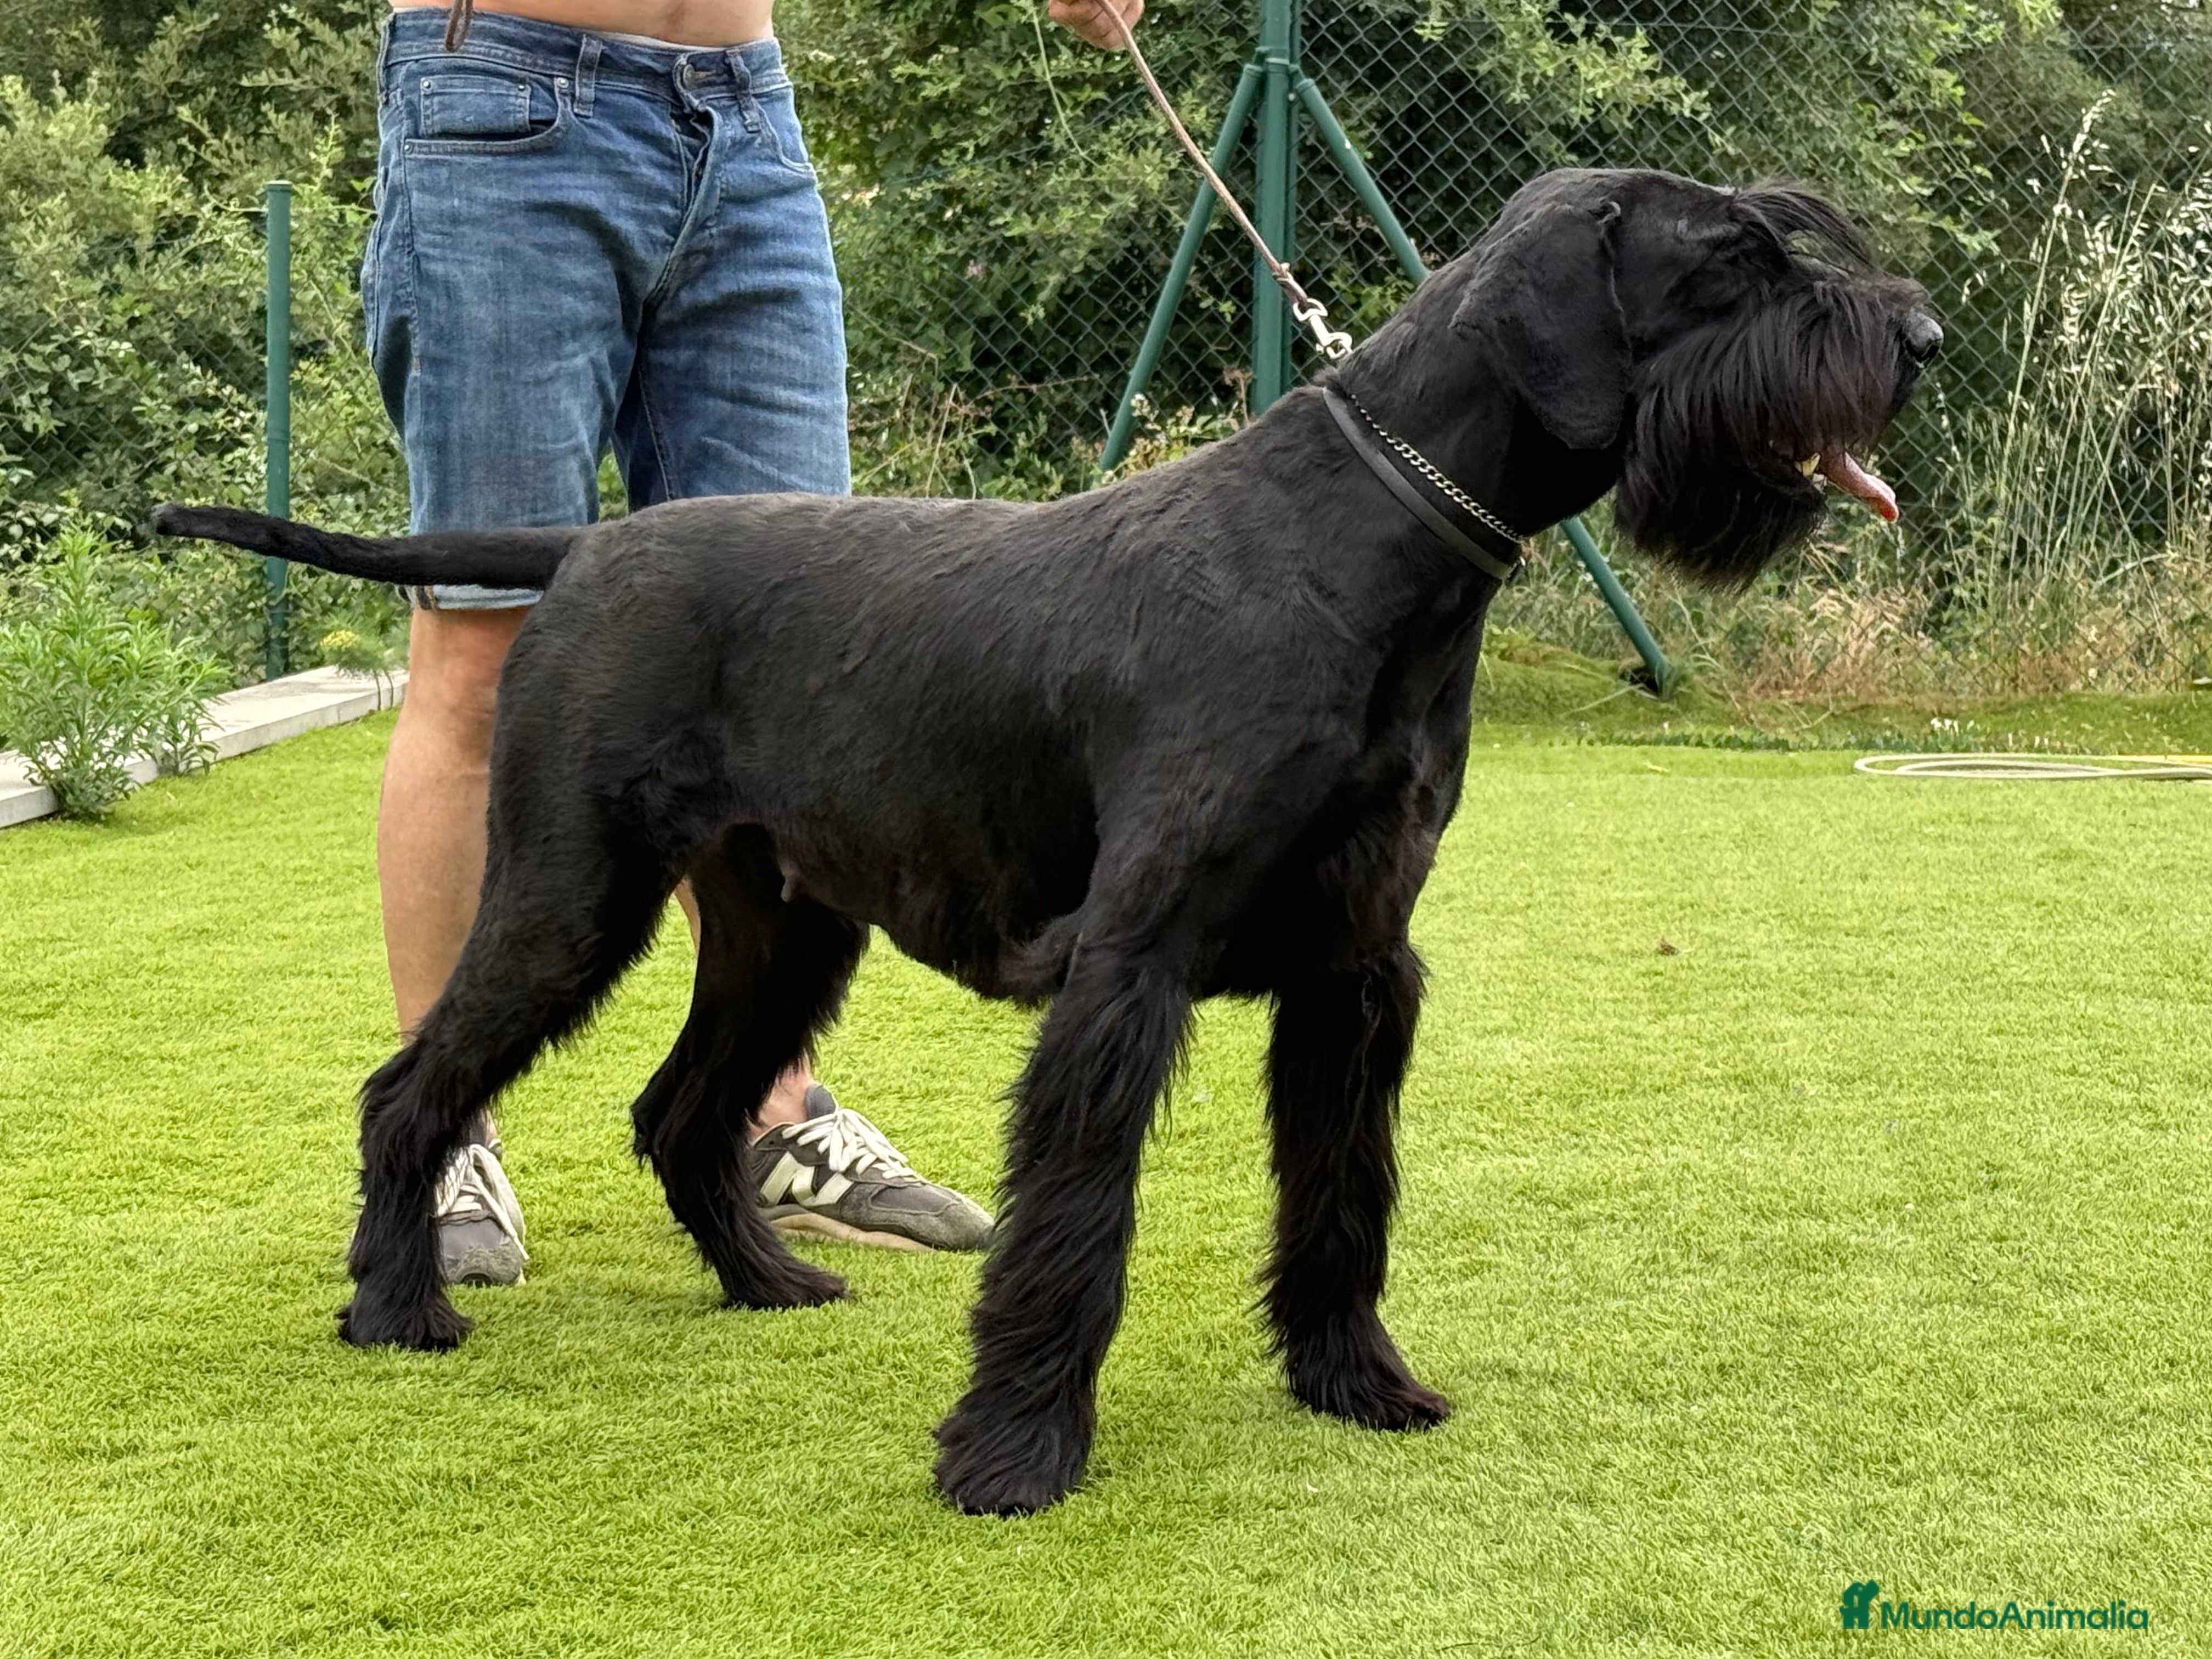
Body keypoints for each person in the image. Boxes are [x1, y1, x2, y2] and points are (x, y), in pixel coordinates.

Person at [368, 0, 1143, 1283]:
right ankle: (445, 1132)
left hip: (743, 112)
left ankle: (770, 1114)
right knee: (483, 656)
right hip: (502, 96)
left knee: (795, 644)